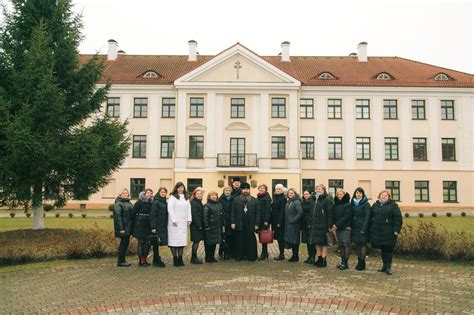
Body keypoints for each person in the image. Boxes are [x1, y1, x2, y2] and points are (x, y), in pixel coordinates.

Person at [370, 190, 402, 275]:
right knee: (383, 250)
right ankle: (384, 266)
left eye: (385, 195)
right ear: (379, 196)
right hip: (378, 232)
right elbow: (371, 216)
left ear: (389, 197)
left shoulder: (393, 206)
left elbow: (398, 218)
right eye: (382, 195)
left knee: (388, 250)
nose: (383, 196)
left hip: (389, 232)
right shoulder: (375, 205)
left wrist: (396, 230)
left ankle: (388, 267)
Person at [231, 182, 261, 261]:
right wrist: (233, 222)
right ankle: (239, 256)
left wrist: (257, 224)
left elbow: (258, 213)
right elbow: (232, 212)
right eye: (244, 189)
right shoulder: (236, 200)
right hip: (239, 223)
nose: (245, 191)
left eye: (247, 189)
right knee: (239, 240)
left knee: (250, 240)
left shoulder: (254, 200)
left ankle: (251, 256)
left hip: (250, 223)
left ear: (249, 190)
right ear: (241, 190)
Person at [306, 184, 333, 268]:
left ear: (324, 190)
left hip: (323, 225)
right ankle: (319, 258)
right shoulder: (313, 200)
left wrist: (329, 225)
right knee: (316, 242)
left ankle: (324, 260)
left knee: (323, 243)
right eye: (316, 189)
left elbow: (330, 214)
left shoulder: (327, 200)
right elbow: (309, 213)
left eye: (319, 189)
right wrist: (309, 223)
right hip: (314, 225)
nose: (318, 190)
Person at [167, 182, 192, 267]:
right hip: (174, 223)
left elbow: (189, 209)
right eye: (179, 188)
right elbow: (170, 209)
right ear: (176, 189)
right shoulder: (172, 198)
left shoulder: (186, 198)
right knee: (174, 241)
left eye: (182, 187)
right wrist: (174, 220)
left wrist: (189, 219)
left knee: (181, 241)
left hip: (183, 223)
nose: (180, 189)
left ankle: (180, 259)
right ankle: (175, 259)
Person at [351, 187, 371, 271]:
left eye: (360, 193)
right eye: (357, 193)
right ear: (355, 194)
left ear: (363, 194)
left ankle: (362, 263)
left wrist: (364, 228)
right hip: (355, 227)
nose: (358, 194)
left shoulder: (366, 204)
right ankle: (359, 261)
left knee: (362, 244)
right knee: (357, 244)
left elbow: (367, 217)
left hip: (363, 227)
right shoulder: (352, 203)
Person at [132, 188, 154, 267]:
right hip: (139, 224)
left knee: (147, 243)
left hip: (148, 225)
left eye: (151, 193)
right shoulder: (139, 202)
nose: (149, 194)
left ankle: (145, 259)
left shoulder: (152, 203)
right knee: (141, 242)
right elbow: (133, 213)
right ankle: (141, 260)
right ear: (144, 194)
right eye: (148, 193)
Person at [332, 189, 352, 270]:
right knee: (341, 245)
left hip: (345, 227)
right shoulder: (335, 204)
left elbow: (346, 217)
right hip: (337, 228)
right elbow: (333, 215)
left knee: (345, 244)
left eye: (341, 194)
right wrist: (333, 224)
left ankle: (345, 263)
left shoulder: (348, 204)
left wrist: (337, 225)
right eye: (338, 194)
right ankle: (342, 261)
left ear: (344, 195)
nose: (339, 196)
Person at [113, 189, 134, 267]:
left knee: (125, 244)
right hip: (123, 228)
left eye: (126, 193)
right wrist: (121, 228)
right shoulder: (118, 204)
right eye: (123, 193)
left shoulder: (129, 203)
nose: (125, 194)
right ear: (120, 194)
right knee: (123, 244)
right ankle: (120, 261)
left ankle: (123, 260)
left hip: (128, 227)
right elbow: (118, 217)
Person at [150, 187, 169, 268]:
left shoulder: (164, 201)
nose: (163, 193)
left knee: (158, 242)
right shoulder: (156, 202)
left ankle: (157, 258)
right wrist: (153, 227)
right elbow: (153, 215)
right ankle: (156, 259)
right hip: (157, 225)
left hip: (163, 225)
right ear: (159, 193)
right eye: (162, 192)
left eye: (164, 192)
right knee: (156, 243)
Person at [203, 191, 224, 263]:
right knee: (208, 243)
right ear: (209, 197)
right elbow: (205, 217)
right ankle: (208, 258)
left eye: (215, 195)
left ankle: (212, 257)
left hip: (217, 227)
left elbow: (222, 215)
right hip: (210, 227)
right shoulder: (207, 205)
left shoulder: (219, 205)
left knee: (214, 243)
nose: (214, 196)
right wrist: (207, 226)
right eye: (212, 195)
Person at [284, 188, 303, 262]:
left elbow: (300, 212)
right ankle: (294, 255)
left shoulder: (296, 202)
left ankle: (296, 256)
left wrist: (293, 220)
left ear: (295, 194)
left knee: (295, 241)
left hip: (294, 225)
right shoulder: (289, 202)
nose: (290, 194)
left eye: (292, 193)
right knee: (291, 241)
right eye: (289, 193)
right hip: (289, 225)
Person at [271, 183, 287, 260]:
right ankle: (281, 253)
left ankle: (282, 254)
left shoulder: (283, 199)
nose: (278, 190)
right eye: (277, 189)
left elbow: (282, 211)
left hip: (279, 222)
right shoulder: (275, 198)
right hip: (274, 221)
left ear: (282, 190)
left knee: (280, 238)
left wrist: (279, 222)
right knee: (278, 238)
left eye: (279, 189)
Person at [190, 187, 205, 264]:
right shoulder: (193, 203)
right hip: (196, 225)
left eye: (200, 194)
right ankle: (193, 258)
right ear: (194, 194)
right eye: (197, 194)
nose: (199, 195)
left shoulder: (199, 202)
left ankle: (194, 257)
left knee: (197, 241)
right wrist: (199, 225)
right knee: (196, 242)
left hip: (198, 224)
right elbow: (194, 215)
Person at [256, 184, 272, 260]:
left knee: (264, 237)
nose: (261, 189)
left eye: (263, 188)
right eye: (260, 188)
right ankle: (265, 253)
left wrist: (266, 221)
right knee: (261, 236)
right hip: (259, 219)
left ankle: (263, 254)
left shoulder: (267, 197)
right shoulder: (259, 196)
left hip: (264, 220)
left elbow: (268, 210)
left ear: (266, 189)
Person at [218, 186, 233, 259]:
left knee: (229, 238)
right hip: (223, 222)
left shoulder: (233, 199)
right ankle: (221, 253)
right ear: (224, 191)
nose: (227, 192)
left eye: (229, 191)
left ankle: (228, 253)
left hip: (230, 222)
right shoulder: (220, 199)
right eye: (226, 190)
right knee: (222, 238)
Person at [301, 190, 315, 264]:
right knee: (307, 241)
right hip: (304, 224)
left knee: (311, 241)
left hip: (310, 223)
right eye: (304, 194)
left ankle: (313, 257)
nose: (305, 195)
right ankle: (309, 256)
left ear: (310, 194)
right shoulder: (302, 202)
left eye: (307, 194)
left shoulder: (312, 202)